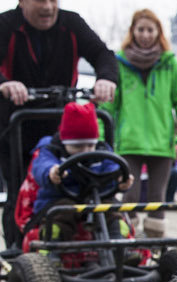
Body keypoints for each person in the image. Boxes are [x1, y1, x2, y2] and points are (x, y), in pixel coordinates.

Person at [0, 0, 118, 247]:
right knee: (19, 193)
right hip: (17, 126)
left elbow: (103, 54)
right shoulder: (5, 24)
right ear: (22, 0)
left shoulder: (71, 24)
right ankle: (21, 250)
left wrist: (106, 79)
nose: (48, 7)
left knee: (82, 187)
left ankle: (89, 246)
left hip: (62, 130)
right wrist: (3, 84)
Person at [98, 9, 177, 238]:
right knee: (129, 196)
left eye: (151, 29)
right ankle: (129, 244)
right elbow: (107, 107)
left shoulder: (170, 64)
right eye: (141, 29)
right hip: (129, 142)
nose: (146, 34)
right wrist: (101, 139)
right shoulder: (119, 64)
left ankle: (155, 247)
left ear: (159, 32)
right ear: (133, 32)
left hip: (162, 142)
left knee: (158, 198)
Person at [26, 102, 133, 249]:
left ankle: (120, 247)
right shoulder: (51, 150)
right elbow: (41, 165)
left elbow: (113, 167)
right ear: (65, 142)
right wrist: (51, 173)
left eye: (90, 146)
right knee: (63, 212)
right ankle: (52, 251)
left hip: (96, 199)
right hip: (58, 199)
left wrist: (121, 180)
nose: (85, 151)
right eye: (78, 146)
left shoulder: (102, 151)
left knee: (112, 210)